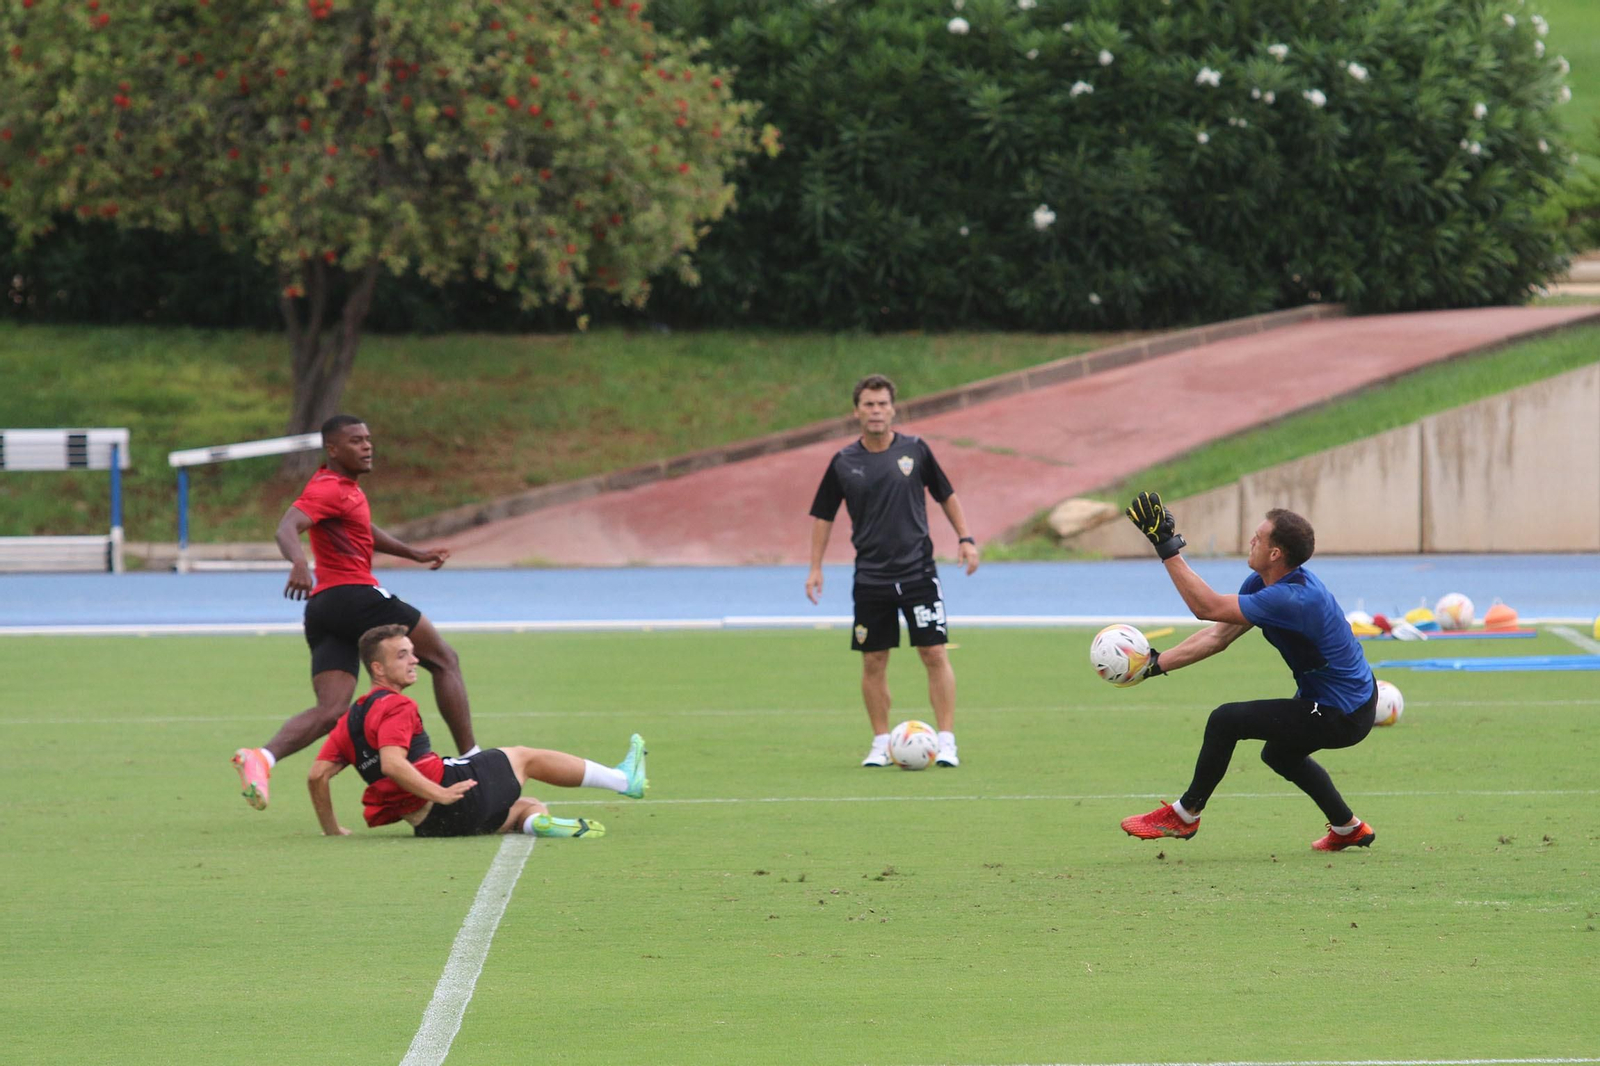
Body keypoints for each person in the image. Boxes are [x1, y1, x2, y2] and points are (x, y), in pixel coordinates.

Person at [232, 414, 475, 811]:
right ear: (332, 449)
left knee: (331, 710)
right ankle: (472, 758)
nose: (367, 446)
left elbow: (364, 529)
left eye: (368, 439)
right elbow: (286, 527)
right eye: (356, 440)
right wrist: (298, 562)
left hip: (324, 610)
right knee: (444, 659)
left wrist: (412, 552)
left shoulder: (346, 491)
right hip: (355, 596)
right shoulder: (328, 487)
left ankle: (262, 758)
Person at [1117, 493, 1379, 851]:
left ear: (1276, 554)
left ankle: (1185, 815)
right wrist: (1154, 664)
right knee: (1279, 754)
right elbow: (1218, 635)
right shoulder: (1263, 584)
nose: (1251, 541)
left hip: (1343, 712)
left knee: (1227, 720)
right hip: (1344, 698)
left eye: (1259, 538)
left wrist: (1166, 546)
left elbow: (1205, 607)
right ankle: (1350, 828)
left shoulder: (1292, 598)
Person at [307, 624, 647, 838]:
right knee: (524, 757)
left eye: (413, 653)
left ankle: (536, 823)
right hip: (449, 796)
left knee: (523, 807)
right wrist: (438, 793)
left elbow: (317, 776)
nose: (414, 661)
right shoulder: (396, 706)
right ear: (378, 668)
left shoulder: (349, 720)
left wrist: (332, 830)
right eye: (403, 655)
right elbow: (392, 763)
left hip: (430, 826)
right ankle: (621, 781)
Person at [805, 374, 981, 768]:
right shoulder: (844, 462)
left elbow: (946, 495)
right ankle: (881, 741)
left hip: (918, 572)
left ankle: (947, 740)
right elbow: (823, 516)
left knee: (933, 652)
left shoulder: (916, 451)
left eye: (882, 404)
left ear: (893, 409)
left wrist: (965, 538)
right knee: (873, 660)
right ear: (857, 411)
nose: (876, 411)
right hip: (870, 577)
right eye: (868, 404)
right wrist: (815, 567)